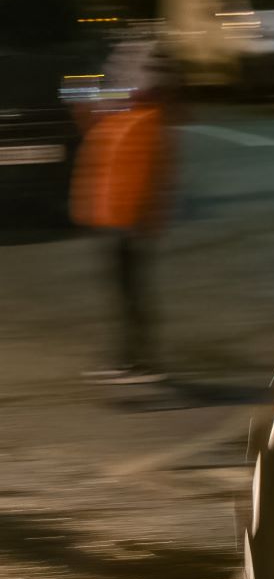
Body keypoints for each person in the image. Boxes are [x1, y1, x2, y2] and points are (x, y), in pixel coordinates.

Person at [71, 36, 175, 384]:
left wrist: (146, 216)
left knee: (131, 296)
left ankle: (140, 362)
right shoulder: (127, 116)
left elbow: (151, 175)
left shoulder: (146, 120)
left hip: (130, 224)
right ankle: (134, 360)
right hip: (117, 221)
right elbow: (93, 135)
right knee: (126, 295)